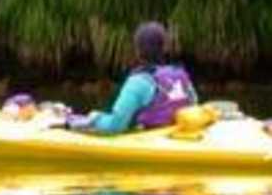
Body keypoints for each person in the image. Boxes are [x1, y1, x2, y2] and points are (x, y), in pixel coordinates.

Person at [71, 22, 199, 134]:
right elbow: (194, 105)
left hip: (151, 142)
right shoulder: (180, 75)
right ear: (164, 48)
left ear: (138, 50)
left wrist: (94, 118)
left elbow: (115, 126)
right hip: (177, 136)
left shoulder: (139, 81)